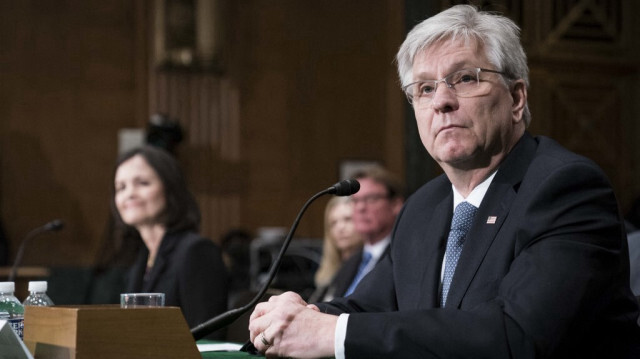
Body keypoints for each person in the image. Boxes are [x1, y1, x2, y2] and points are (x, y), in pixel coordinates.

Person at [247, 5, 640, 358]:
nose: (441, 101)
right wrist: (298, 315)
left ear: (517, 98)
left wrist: (331, 334)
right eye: (425, 88)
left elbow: (518, 336)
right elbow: (369, 309)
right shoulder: (424, 206)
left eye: (465, 78)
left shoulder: (566, 189)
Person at [112, 145, 229, 339]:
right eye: (121, 187)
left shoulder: (197, 251)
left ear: (170, 187)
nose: (129, 193)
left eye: (142, 183)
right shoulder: (141, 259)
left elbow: (209, 339)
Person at [321, 166, 404, 299]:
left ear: (395, 205)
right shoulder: (351, 262)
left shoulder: (403, 257)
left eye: (371, 199)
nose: (360, 207)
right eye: (355, 200)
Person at [309, 196, 364, 302]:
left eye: (348, 219)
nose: (340, 228)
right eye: (333, 223)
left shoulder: (369, 267)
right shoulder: (329, 273)